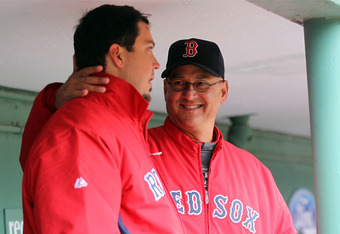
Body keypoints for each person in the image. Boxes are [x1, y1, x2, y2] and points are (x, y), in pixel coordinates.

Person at [21, 38, 297, 233]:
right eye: (178, 82)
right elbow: (49, 164)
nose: (189, 94)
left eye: (201, 83)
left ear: (223, 91)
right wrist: (52, 102)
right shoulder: (133, 146)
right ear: (165, 90)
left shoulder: (256, 173)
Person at [21, 5, 185, 234]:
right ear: (117, 54)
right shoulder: (82, 132)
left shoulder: (119, 127)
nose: (156, 63)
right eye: (148, 49)